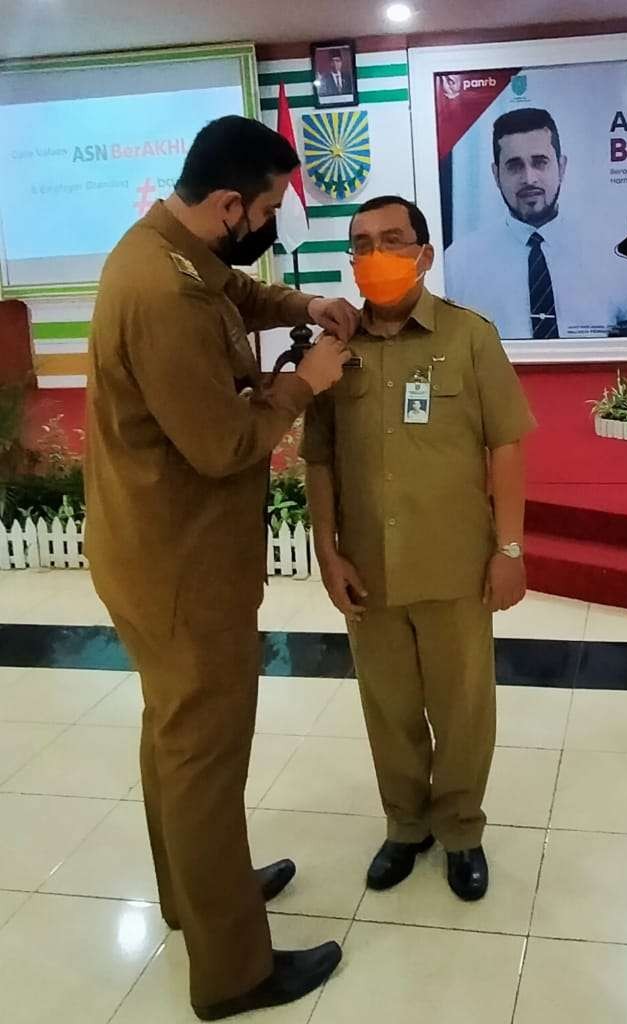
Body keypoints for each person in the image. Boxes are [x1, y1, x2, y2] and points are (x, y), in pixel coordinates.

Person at [85, 115, 359, 1020]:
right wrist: (306, 381)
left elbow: (229, 291)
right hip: (181, 563)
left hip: (152, 549)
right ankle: (235, 971)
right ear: (232, 203)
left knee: (175, 735)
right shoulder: (159, 293)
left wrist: (300, 308)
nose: (277, 219)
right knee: (204, 754)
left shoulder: (168, 250)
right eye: (274, 204)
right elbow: (223, 443)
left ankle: (197, 897)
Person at [304, 195, 535, 902]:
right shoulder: (331, 355)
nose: (375, 255)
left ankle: (460, 829)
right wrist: (326, 551)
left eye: (393, 240)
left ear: (425, 254)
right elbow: (318, 459)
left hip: (454, 563)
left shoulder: (470, 337)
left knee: (464, 708)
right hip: (368, 571)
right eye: (362, 243)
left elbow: (506, 446)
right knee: (390, 708)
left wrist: (511, 549)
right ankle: (406, 825)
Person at [445, 107, 627, 340]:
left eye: (540, 162)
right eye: (514, 165)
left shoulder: (613, 255)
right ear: (496, 174)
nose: (529, 178)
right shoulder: (459, 263)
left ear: (561, 167)